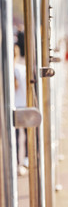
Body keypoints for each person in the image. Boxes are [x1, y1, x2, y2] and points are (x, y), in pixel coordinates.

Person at [13, 43, 28, 175]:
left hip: (13, 108)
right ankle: (27, 159)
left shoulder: (8, 71)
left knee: (16, 139)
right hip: (24, 106)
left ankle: (17, 163)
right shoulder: (22, 69)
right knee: (28, 136)